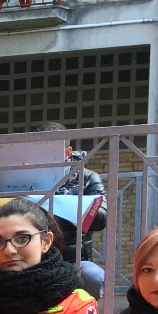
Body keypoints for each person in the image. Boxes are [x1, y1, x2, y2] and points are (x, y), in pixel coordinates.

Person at [39, 122, 108, 299]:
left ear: (67, 152)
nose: (45, 158)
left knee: (93, 276)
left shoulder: (87, 177)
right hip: (34, 257)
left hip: (74, 259)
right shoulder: (28, 176)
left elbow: (102, 218)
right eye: (40, 151)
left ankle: (86, 313)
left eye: (51, 152)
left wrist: (61, 204)